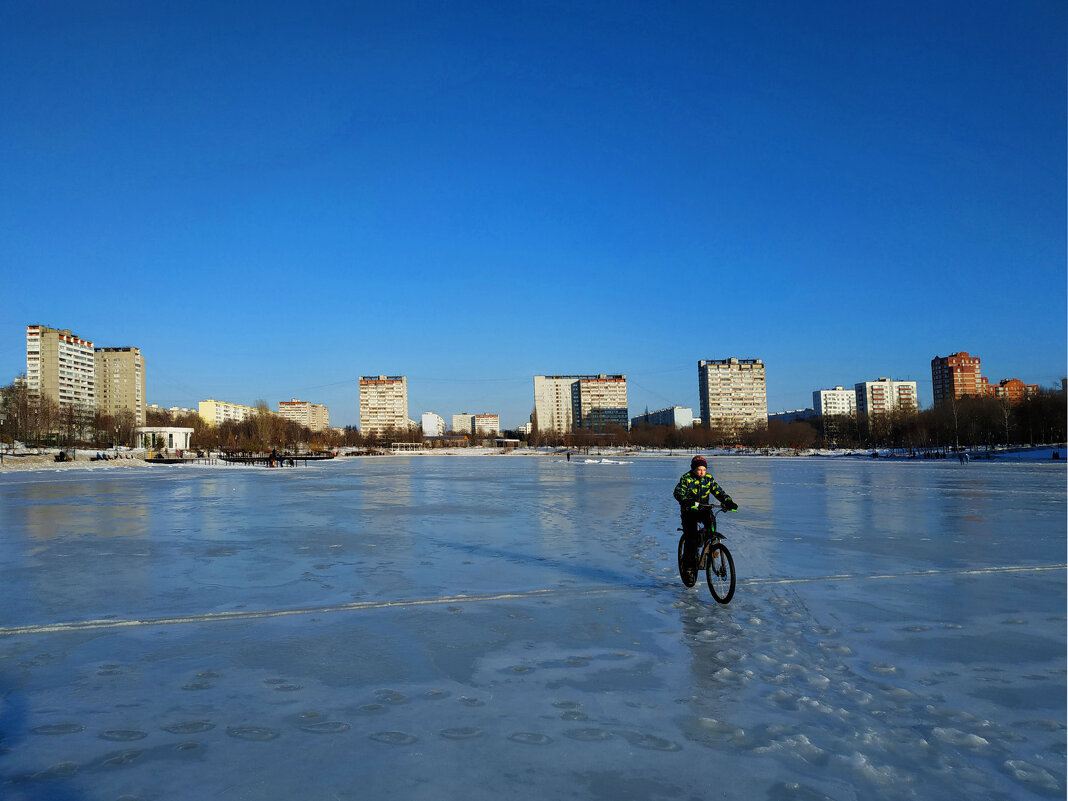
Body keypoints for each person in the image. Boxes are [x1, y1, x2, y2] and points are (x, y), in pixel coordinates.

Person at [673, 455, 738, 587]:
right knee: (691, 538)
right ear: (693, 469)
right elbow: (678, 492)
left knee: (712, 528)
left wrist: (728, 502)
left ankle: (711, 547)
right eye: (699, 469)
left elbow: (718, 491)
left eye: (704, 469)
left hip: (704, 509)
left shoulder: (708, 479)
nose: (702, 472)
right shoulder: (686, 478)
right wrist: (686, 500)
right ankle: (689, 568)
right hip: (689, 511)